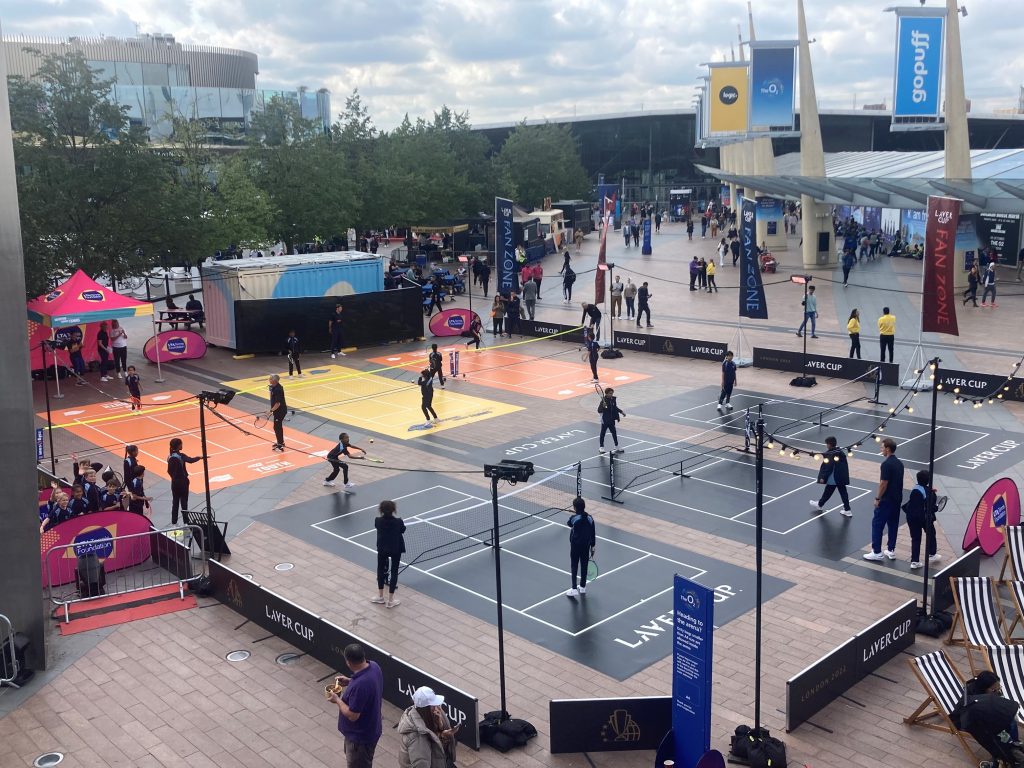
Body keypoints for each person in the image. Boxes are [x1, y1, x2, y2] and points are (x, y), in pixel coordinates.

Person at [328, 643, 384, 768]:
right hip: (371, 728)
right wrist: (350, 680)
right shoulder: (374, 666)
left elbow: (353, 715)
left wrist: (337, 699)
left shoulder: (360, 685)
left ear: (348, 662)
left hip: (360, 739)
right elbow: (368, 686)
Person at [397, 687, 459, 768]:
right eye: (433, 706)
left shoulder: (426, 717)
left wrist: (441, 733)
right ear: (427, 709)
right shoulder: (417, 739)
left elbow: (433, 745)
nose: (438, 708)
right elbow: (421, 764)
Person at [864, 438, 904, 561]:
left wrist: (877, 498)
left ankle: (877, 552)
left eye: (882, 448)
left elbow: (883, 483)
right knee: (893, 525)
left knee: (877, 524)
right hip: (897, 499)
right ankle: (891, 550)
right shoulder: (899, 463)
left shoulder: (886, 464)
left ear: (887, 449)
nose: (881, 450)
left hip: (886, 500)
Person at [903, 469, 941, 570]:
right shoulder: (931, 493)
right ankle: (932, 554)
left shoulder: (915, 488)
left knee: (916, 538)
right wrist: (936, 506)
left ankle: (915, 561)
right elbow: (932, 508)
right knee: (931, 533)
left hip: (911, 517)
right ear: (928, 481)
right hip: (923, 518)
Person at [371, 500, 406, 608]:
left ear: (381, 510)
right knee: (394, 571)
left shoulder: (378, 521)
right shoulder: (399, 522)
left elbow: (377, 527)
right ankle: (391, 600)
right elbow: (403, 530)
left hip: (382, 548)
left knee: (380, 570)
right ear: (393, 510)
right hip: (396, 548)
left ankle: (380, 596)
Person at [810, 437, 852, 517]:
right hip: (841, 477)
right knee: (841, 492)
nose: (826, 445)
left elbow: (827, 466)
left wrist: (822, 477)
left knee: (829, 491)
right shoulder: (839, 452)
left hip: (834, 477)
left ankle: (820, 504)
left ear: (829, 444)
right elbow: (826, 455)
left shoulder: (831, 454)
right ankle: (847, 510)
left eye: (827, 444)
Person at [565, 496, 596, 597]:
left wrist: (574, 515)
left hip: (575, 546)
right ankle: (583, 587)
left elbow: (569, 523)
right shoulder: (590, 518)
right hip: (586, 546)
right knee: (584, 566)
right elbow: (592, 533)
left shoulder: (574, 518)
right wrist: (593, 546)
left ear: (574, 508)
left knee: (574, 566)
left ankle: (574, 588)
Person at [167, 437, 201, 525]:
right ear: (178, 446)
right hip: (183, 483)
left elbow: (169, 471)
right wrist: (199, 457)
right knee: (184, 503)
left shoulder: (170, 456)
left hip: (174, 483)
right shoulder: (181, 456)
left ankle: (174, 523)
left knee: (175, 503)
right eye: (181, 444)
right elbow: (191, 460)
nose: (182, 445)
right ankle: (186, 522)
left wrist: (174, 478)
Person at [597, 387, 625, 454]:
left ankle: (616, 446)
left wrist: (621, 412)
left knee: (614, 433)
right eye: (610, 393)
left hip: (612, 420)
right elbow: (599, 410)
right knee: (603, 433)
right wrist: (603, 406)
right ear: (606, 394)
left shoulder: (613, 399)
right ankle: (601, 447)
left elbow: (615, 407)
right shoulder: (603, 401)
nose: (611, 395)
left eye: (612, 393)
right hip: (605, 420)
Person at [268, 374, 288, 452]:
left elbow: (278, 404)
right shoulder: (274, 387)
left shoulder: (278, 389)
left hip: (280, 411)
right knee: (277, 427)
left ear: (274, 380)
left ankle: (280, 445)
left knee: (277, 427)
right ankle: (281, 442)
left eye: (270, 379)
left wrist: (270, 411)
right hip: (277, 411)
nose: (269, 379)